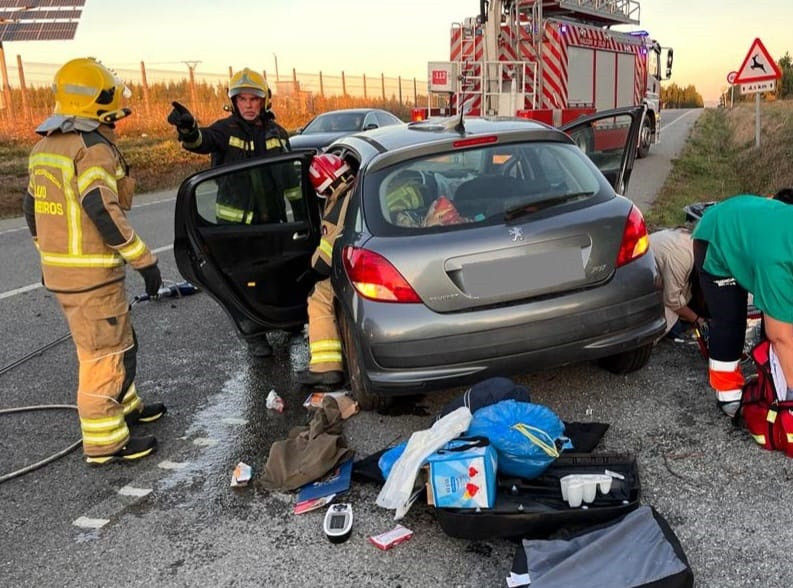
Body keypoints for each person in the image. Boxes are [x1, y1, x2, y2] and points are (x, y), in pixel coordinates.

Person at [22, 57, 166, 465]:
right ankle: (106, 441)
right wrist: (144, 261)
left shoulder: (43, 146)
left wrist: (50, 256)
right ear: (97, 101)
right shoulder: (91, 150)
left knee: (118, 342)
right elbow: (102, 210)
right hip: (92, 276)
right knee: (103, 356)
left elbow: (31, 209)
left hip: (66, 274)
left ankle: (126, 407)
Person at [167, 67, 294, 357]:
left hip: (273, 223)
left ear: (265, 101)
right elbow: (201, 142)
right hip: (235, 228)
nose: (248, 105)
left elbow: (290, 177)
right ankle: (254, 334)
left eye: (254, 99)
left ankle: (283, 323)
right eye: (242, 99)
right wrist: (188, 129)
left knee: (276, 274)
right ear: (233, 102)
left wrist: (303, 214)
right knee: (243, 281)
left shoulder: (277, 133)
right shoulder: (225, 130)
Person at [692, 192, 793, 417]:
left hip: (754, 227)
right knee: (730, 320)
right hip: (717, 236)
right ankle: (728, 395)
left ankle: (772, 373)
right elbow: (780, 335)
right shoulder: (777, 263)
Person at [294, 154, 356, 386]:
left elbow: (324, 261)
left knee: (318, 296)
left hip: (351, 266)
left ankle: (326, 368)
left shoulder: (337, 206)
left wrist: (309, 273)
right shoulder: (360, 186)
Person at [648, 226, 707, 338]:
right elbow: (672, 300)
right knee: (676, 328)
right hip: (647, 283)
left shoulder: (694, 245)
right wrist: (697, 320)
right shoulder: (681, 257)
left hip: (663, 275)